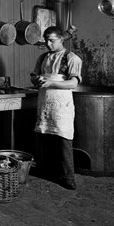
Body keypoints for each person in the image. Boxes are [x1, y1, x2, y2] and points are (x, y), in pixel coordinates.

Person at [30, 26, 82, 190]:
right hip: (45, 101)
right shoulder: (43, 57)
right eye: (46, 40)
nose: (48, 44)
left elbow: (73, 82)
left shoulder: (71, 58)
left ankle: (68, 178)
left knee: (63, 138)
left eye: (52, 40)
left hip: (61, 104)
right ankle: (47, 172)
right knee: (45, 136)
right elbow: (33, 76)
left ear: (61, 39)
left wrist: (52, 83)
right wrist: (37, 79)